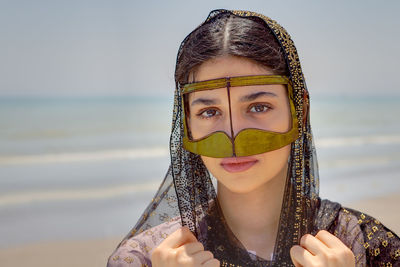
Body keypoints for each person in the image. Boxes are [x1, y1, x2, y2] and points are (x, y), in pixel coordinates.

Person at [107, 9, 400, 266]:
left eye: (259, 107)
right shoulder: (143, 259)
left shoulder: (368, 247)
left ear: (301, 110)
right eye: (209, 111)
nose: (234, 137)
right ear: (186, 125)